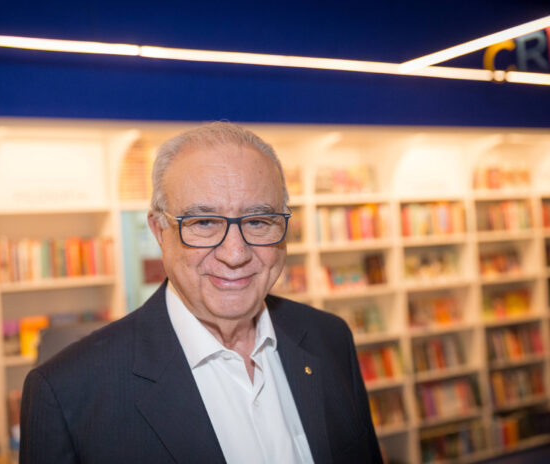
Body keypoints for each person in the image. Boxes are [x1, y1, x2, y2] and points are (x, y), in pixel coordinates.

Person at [20, 122, 382, 463]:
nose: (235, 254)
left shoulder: (330, 338)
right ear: (159, 232)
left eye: (258, 221)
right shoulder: (65, 394)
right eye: (204, 222)